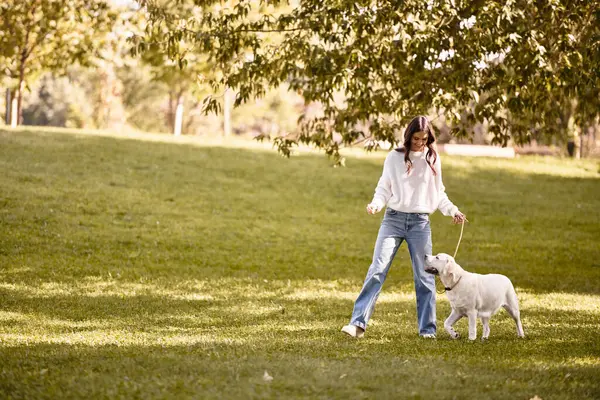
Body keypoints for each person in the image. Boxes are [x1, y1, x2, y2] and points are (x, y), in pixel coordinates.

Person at [341, 115, 467, 339]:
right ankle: (357, 324)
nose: (420, 143)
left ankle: (428, 330)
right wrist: (376, 204)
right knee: (377, 269)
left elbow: (438, 194)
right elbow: (384, 187)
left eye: (424, 139)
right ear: (408, 137)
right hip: (393, 220)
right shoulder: (394, 157)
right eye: (416, 138)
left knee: (425, 275)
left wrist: (453, 210)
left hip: (420, 223)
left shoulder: (432, 158)